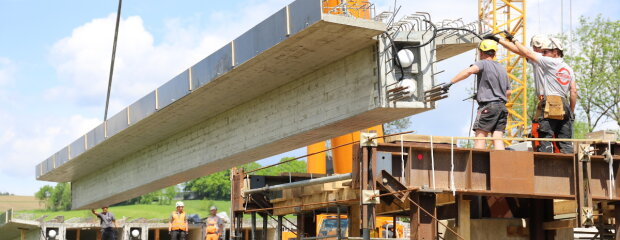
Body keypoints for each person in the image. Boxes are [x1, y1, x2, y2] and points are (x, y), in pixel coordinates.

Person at [492, 33, 576, 153]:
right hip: (564, 104)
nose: (542, 54)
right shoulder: (568, 69)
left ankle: (544, 165)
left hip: (549, 102)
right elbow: (573, 92)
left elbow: (524, 52)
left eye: (546, 51)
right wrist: (572, 112)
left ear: (555, 52)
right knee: (565, 142)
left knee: (543, 136)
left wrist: (507, 40)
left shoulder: (547, 61)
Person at [442, 39, 511, 150]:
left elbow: (468, 71)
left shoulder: (482, 63)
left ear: (481, 52)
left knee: (480, 135)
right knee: (497, 137)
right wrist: (488, 93)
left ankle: (478, 166)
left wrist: (450, 83)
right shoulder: (502, 68)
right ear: (494, 53)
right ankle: (501, 165)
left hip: (488, 106)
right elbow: (508, 92)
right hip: (502, 107)